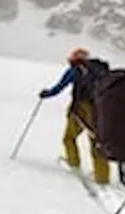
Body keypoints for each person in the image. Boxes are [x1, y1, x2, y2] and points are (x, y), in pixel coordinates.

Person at [38, 47, 112, 185]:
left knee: (69, 138)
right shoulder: (100, 71)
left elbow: (59, 87)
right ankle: (102, 176)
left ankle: (74, 165)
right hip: (98, 110)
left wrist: (46, 94)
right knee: (96, 142)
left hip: (80, 108)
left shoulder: (75, 70)